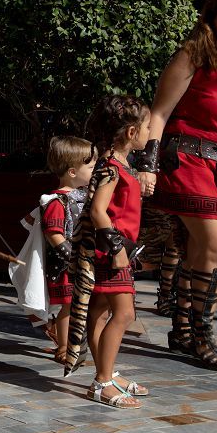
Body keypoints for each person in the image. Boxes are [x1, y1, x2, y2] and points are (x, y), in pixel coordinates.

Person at [141, 0, 217, 369]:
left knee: (197, 249)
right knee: (211, 243)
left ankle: (183, 330)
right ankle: (203, 336)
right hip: (185, 158)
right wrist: (147, 166)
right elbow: (158, 113)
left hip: (216, 163)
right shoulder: (193, 54)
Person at [69, 95, 151, 408]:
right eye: (145, 127)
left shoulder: (117, 164)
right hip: (110, 252)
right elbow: (99, 211)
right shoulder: (111, 167)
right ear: (131, 132)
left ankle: (107, 374)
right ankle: (103, 382)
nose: (148, 132)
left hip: (115, 251)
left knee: (99, 312)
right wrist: (116, 248)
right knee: (125, 313)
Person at [40, 136, 94, 363]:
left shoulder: (84, 198)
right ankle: (63, 346)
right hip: (64, 266)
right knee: (68, 306)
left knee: (75, 304)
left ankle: (67, 341)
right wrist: (71, 256)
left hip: (78, 263)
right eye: (90, 166)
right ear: (72, 172)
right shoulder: (56, 202)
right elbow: (53, 233)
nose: (94, 171)